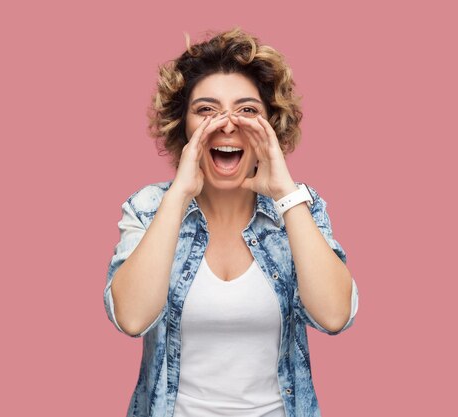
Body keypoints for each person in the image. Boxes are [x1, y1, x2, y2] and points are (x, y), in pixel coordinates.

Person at [103, 27, 359, 417]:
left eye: (247, 110)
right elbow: (132, 318)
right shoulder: (150, 207)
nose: (226, 125)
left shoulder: (299, 209)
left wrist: (286, 193)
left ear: (271, 126)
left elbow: (334, 316)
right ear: (183, 126)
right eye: (206, 110)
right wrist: (179, 196)